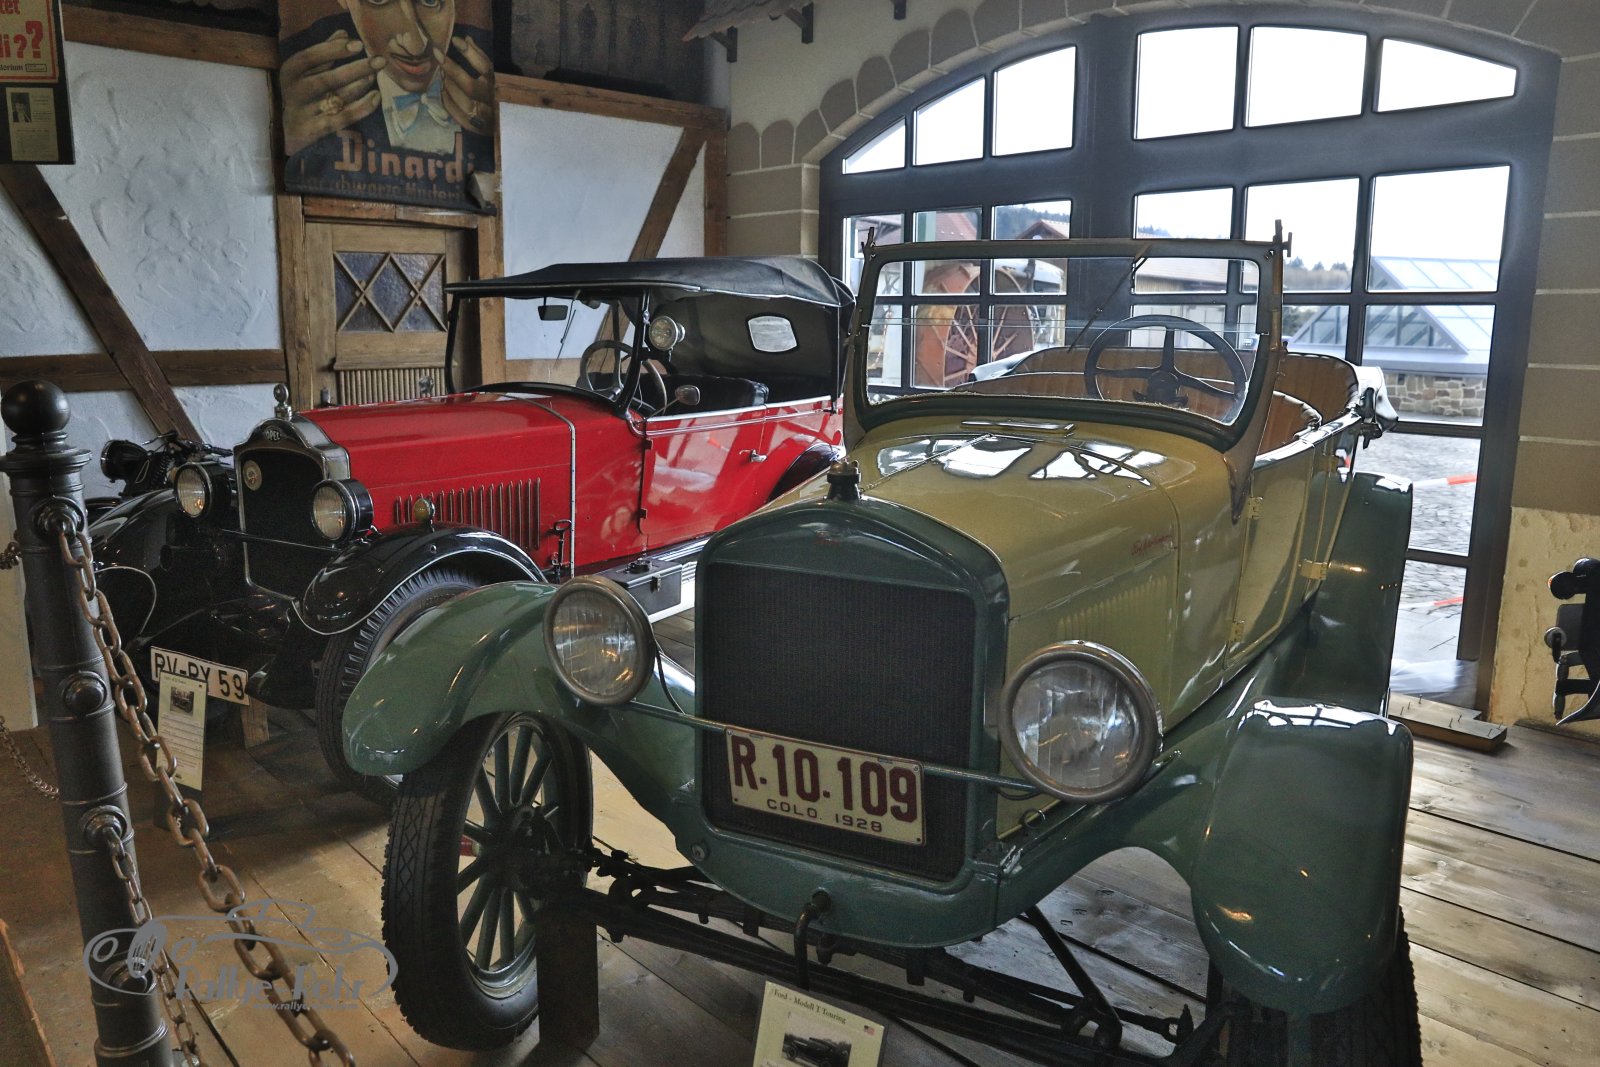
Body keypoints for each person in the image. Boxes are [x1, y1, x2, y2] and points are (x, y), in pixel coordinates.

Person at [280, 0, 494, 158]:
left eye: (430, 1)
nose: (415, 46)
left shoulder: (487, 66)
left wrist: (499, 132)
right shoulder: (304, 73)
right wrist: (290, 141)